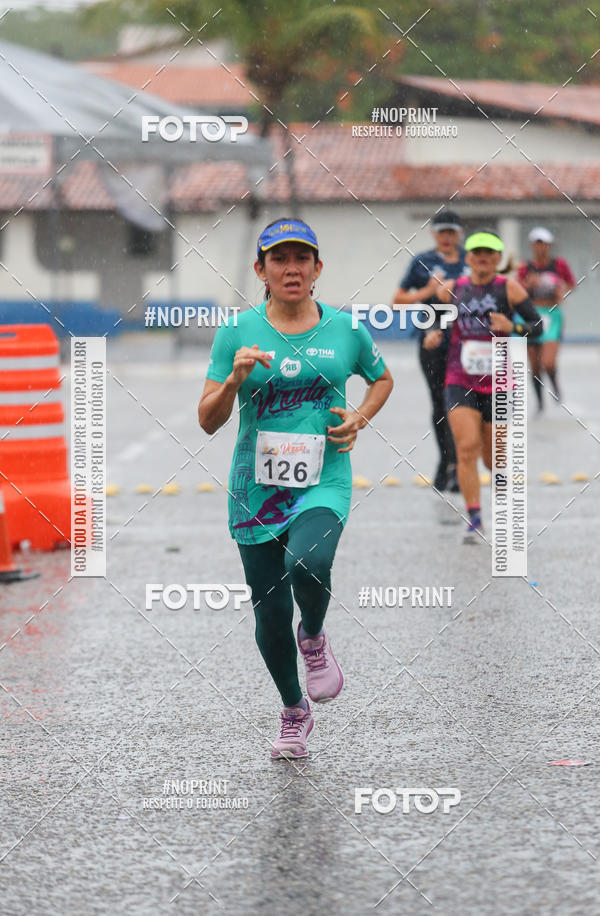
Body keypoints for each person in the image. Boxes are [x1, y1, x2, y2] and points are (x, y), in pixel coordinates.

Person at [198, 218, 393, 759]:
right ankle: (293, 710)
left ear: (317, 268)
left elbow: (382, 378)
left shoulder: (346, 330)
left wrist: (359, 416)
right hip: (255, 488)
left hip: (323, 479)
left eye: (301, 258)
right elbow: (207, 420)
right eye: (279, 259)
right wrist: (234, 381)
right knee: (267, 612)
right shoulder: (236, 332)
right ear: (260, 270)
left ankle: (314, 635)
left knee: (308, 562)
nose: (291, 269)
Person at [423, 229, 543, 543]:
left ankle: (505, 509)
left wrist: (513, 326)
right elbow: (433, 317)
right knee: (466, 449)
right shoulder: (453, 288)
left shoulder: (509, 288)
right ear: (469, 257)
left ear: (498, 258)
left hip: (500, 383)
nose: (483, 258)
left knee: (494, 460)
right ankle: (475, 518)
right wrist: (433, 332)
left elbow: (538, 326)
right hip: (459, 379)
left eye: (489, 253)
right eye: (477, 253)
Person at [393, 209, 468, 492]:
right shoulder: (422, 262)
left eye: (451, 232)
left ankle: (458, 465)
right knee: (440, 403)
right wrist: (427, 291)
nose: (446, 237)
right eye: (441, 232)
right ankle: (446, 461)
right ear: (433, 234)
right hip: (432, 340)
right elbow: (397, 301)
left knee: (462, 404)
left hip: (466, 342)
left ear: (460, 233)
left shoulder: (470, 260)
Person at [517, 227, 575, 411]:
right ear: (532, 245)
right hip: (531, 314)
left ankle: (554, 383)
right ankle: (540, 401)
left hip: (552, 313)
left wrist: (561, 291)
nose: (540, 247)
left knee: (548, 361)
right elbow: (516, 291)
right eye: (537, 243)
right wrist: (528, 285)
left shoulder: (559, 265)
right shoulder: (525, 267)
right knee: (534, 363)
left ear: (549, 245)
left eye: (543, 243)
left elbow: (571, 284)